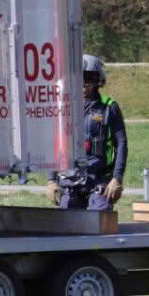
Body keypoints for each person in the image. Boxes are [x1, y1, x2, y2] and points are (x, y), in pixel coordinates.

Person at [46, 55, 127, 210]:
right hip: (69, 181)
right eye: (79, 77)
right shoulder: (63, 106)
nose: (83, 82)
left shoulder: (109, 107)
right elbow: (55, 143)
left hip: (99, 179)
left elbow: (121, 144)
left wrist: (117, 178)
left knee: (99, 219)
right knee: (67, 223)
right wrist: (51, 180)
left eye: (88, 77)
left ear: (98, 79)